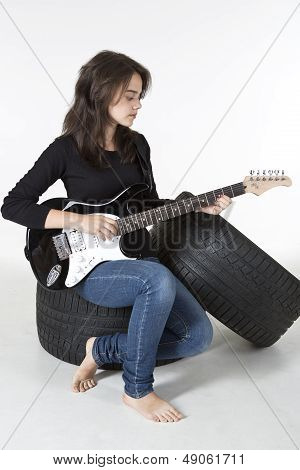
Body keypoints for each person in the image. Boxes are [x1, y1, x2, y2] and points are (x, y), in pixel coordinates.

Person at [1, 50, 232, 423]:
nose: (138, 104)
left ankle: (101, 349)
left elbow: (147, 205)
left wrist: (194, 206)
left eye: (140, 95)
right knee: (156, 279)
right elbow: (13, 206)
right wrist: (78, 221)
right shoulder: (66, 149)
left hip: (136, 257)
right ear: (99, 93)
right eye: (130, 95)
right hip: (90, 267)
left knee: (198, 338)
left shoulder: (137, 145)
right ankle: (137, 390)